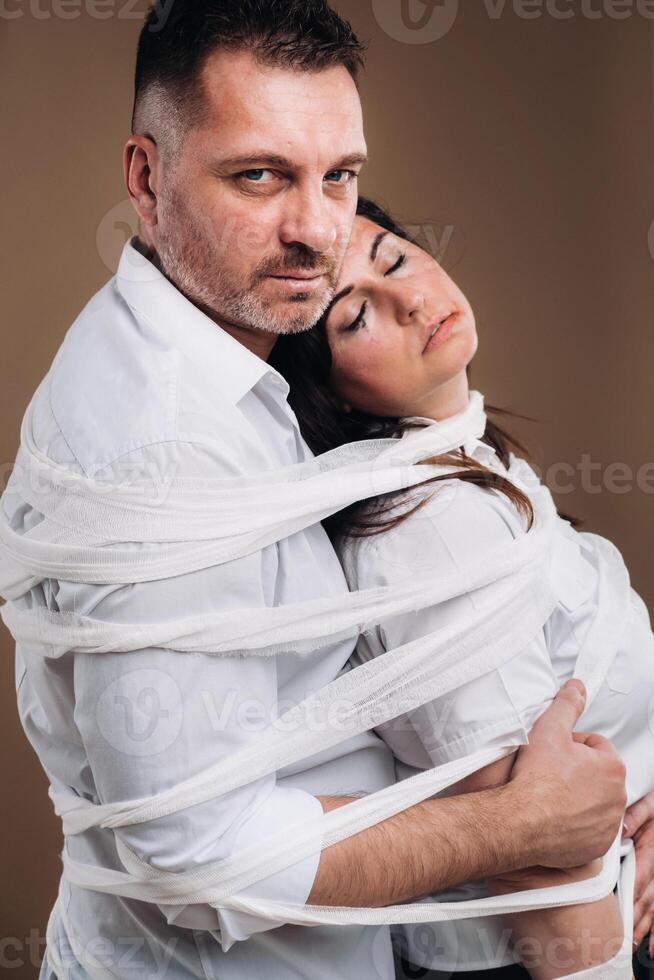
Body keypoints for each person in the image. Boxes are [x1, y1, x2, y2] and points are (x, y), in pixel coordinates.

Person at [3, 4, 627, 979]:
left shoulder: (258, 377)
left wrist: (614, 810)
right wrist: (526, 821)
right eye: (259, 175)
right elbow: (207, 856)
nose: (316, 230)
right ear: (145, 177)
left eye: (339, 176)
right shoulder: (165, 444)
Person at [270, 196, 654, 978]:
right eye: (356, 317)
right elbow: (530, 845)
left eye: (396, 259)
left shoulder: (465, 471)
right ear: (330, 392)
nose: (411, 300)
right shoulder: (433, 528)